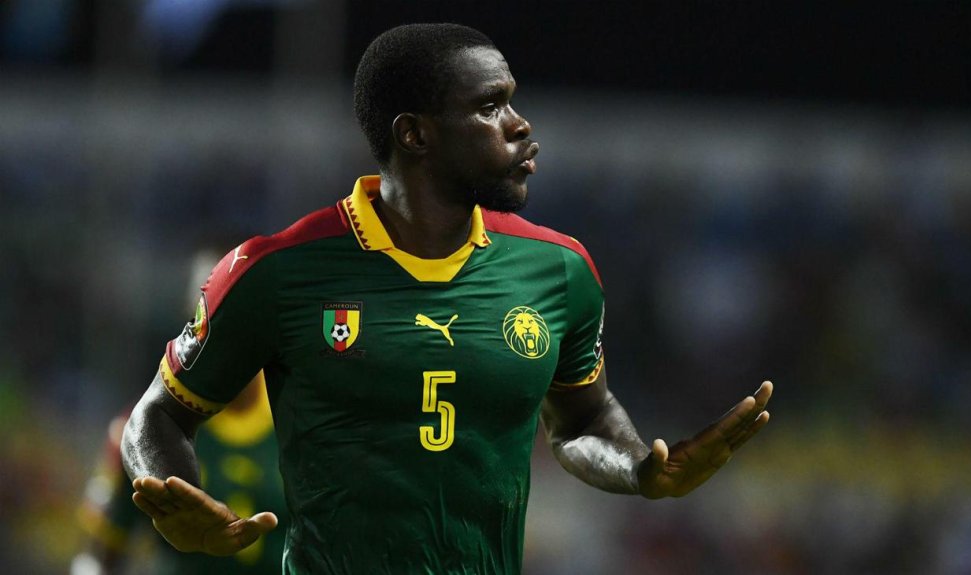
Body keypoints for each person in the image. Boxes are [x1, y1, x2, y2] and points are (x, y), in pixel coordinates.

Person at [121, 23, 772, 574]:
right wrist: (174, 496)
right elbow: (157, 416)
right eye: (490, 107)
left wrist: (639, 469)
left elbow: (582, 422)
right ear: (415, 135)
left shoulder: (559, 270)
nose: (519, 125)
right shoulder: (276, 271)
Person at [74, 249, 286, 575]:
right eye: (206, 309)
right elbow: (99, 560)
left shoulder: (308, 422)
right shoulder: (143, 432)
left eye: (234, 307)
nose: (219, 325)